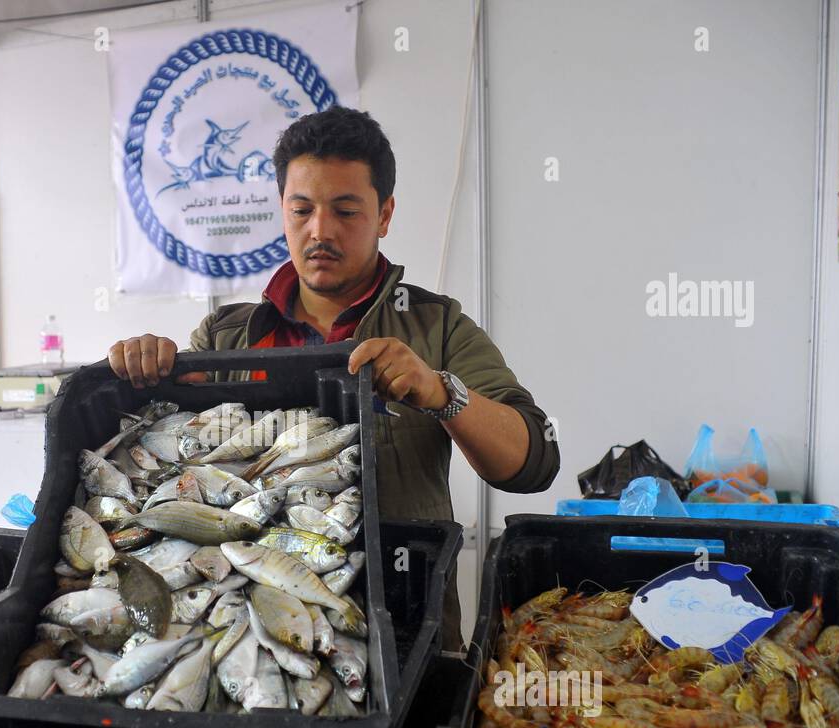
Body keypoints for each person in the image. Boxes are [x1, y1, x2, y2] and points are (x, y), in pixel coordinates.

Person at [108, 106, 559, 650]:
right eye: (302, 210)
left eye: (346, 211)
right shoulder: (224, 338)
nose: (320, 230)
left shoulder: (436, 327)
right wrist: (148, 373)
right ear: (282, 211)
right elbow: (173, 462)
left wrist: (443, 393)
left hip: (407, 628)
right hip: (252, 628)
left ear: (385, 213)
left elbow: (533, 462)